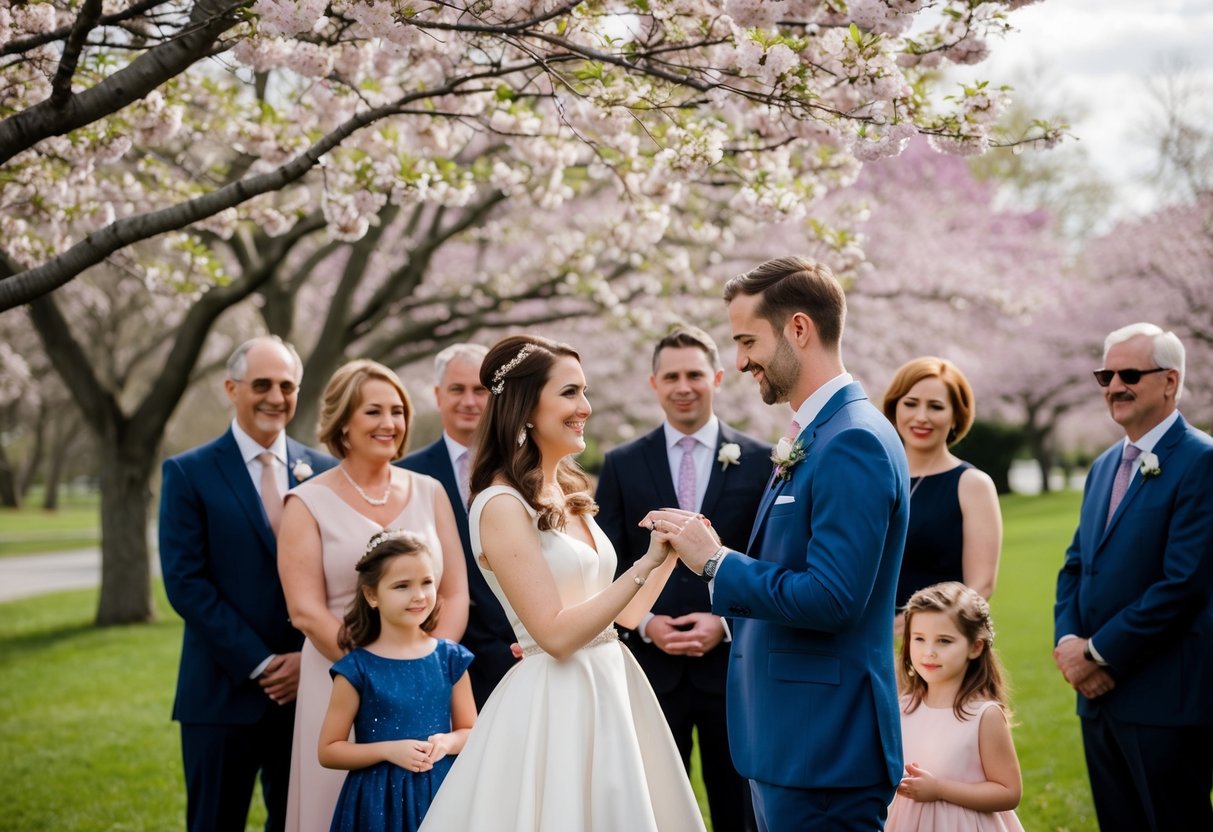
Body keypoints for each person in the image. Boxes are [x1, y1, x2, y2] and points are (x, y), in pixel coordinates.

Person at [654, 256, 910, 830]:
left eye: (748, 341)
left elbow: (833, 598)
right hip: (791, 742)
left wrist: (716, 562)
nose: (740, 361)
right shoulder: (817, 433)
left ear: (799, 328)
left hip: (824, 748)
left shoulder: (854, 441)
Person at [419, 334, 706, 831]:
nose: (585, 407)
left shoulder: (570, 491)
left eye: (585, 392)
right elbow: (553, 634)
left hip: (612, 684)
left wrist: (667, 555)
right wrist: (642, 566)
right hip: (556, 701)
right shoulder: (500, 504)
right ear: (527, 408)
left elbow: (626, 617)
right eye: (570, 393)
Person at [278, 359, 469, 832]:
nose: (389, 424)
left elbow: (456, 592)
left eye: (398, 411)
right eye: (373, 412)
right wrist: (374, 672)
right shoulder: (307, 501)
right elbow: (305, 609)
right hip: (341, 677)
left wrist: (429, 670)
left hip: (429, 689)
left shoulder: (431, 491)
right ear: (343, 421)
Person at [595, 325, 769, 832]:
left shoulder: (761, 461)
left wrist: (727, 622)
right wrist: (645, 624)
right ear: (654, 384)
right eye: (671, 376)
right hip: (651, 666)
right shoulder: (623, 463)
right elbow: (610, 560)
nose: (683, 386)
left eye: (695, 374)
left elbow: (764, 557)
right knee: (654, 803)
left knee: (737, 803)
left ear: (717, 377)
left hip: (732, 665)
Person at [159, 335, 335, 832]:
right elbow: (185, 583)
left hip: (310, 691)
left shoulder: (324, 472)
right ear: (232, 388)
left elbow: (340, 577)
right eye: (262, 384)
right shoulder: (188, 473)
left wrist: (310, 657)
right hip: (220, 692)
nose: (276, 398)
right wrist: (260, 664)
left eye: (287, 386)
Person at [1052, 322, 1213, 832]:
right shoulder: (1103, 467)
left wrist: (1099, 652)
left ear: (1169, 382)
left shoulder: (1202, 461)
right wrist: (1070, 645)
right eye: (1105, 375)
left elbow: (1183, 583)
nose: (1114, 386)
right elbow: (1076, 564)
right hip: (1097, 702)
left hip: (1166, 699)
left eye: (1128, 374)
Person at [319, 530, 475, 832]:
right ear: (372, 594)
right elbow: (329, 750)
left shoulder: (450, 659)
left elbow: (470, 730)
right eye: (402, 586)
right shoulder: (357, 669)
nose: (418, 595)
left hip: (441, 792)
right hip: (377, 803)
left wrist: (447, 742)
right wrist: (388, 750)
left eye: (427, 583)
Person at [398, 343, 517, 708]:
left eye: (479, 390)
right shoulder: (407, 475)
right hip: (435, 642)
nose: (469, 401)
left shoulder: (522, 470)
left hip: (512, 644)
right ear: (437, 395)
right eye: (457, 389)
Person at [886, 582, 1024, 832]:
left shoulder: (983, 715)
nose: (929, 652)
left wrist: (939, 790)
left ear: (975, 647)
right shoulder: (902, 706)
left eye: (944, 641)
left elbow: (1009, 792)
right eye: (919, 638)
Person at [881, 357, 1002, 619]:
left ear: (956, 417)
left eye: (935, 407)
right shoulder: (875, 479)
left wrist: (910, 629)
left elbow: (980, 586)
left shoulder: (972, 484)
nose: (921, 417)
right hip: (867, 643)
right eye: (911, 404)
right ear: (894, 408)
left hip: (936, 646)